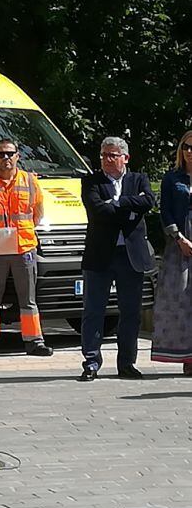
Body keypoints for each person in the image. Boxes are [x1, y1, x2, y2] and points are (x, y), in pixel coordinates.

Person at [78, 137, 155, 382]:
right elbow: (97, 211)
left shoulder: (138, 179)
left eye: (112, 155)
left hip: (130, 256)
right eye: (103, 155)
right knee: (94, 310)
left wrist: (119, 202)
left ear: (125, 158)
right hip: (100, 254)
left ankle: (127, 363)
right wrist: (128, 211)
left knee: (130, 312)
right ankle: (91, 362)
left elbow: (148, 202)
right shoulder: (92, 181)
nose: (107, 160)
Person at [0, 138, 53, 356]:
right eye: (1, 154)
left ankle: (34, 342)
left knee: (28, 298)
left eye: (10, 153)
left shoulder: (30, 181)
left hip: (24, 247)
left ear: (17, 156)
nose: (6, 158)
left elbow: (37, 214)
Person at [151, 130, 192, 375]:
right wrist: (179, 238)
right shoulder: (171, 179)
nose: (189, 151)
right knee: (182, 298)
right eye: (185, 147)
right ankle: (187, 356)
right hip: (180, 244)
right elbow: (165, 212)